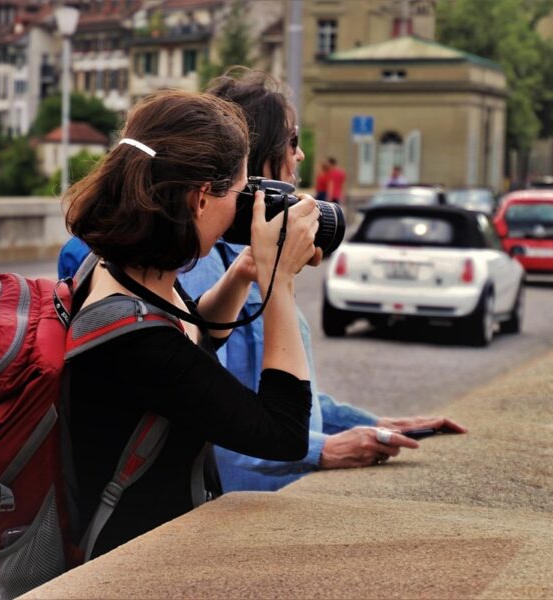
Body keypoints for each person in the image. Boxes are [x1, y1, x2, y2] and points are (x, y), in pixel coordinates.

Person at [179, 68, 466, 491]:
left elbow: (283, 393)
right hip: (238, 509)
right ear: (256, 155)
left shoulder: (245, 253)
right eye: (292, 141)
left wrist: (371, 424)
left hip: (276, 493)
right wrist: (325, 450)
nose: (300, 157)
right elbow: (209, 412)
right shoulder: (203, 261)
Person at [63, 88, 322, 557]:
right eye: (242, 193)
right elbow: (283, 435)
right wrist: (278, 280)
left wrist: (244, 272)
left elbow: (193, 340)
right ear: (202, 199)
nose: (246, 207)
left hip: (148, 545)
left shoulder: (122, 269)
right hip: (132, 563)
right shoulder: (134, 341)